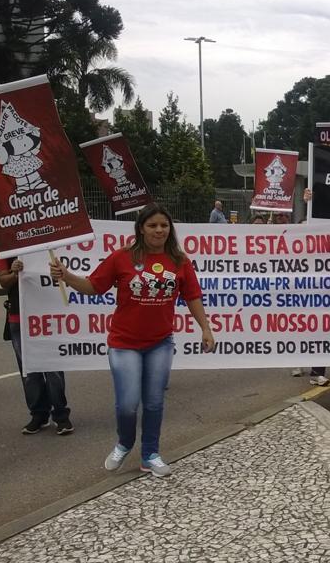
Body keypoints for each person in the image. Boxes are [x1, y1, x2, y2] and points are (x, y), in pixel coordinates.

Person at [49, 204, 216, 477]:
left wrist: (205, 328)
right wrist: (66, 276)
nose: (159, 230)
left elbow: (192, 296)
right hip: (124, 343)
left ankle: (150, 454)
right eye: (153, 225)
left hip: (160, 343)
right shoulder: (122, 257)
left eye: (164, 225)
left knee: (153, 402)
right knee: (127, 403)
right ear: (141, 228)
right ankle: (124, 443)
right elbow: (94, 286)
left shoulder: (179, 260)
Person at [0, 251, 73, 434]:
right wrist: (14, 273)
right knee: (29, 371)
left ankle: (61, 416)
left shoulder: (47, 240)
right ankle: (38, 415)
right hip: (18, 317)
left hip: (47, 315)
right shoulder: (5, 245)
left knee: (53, 368)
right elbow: (3, 282)